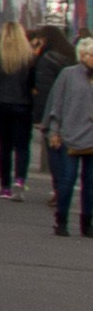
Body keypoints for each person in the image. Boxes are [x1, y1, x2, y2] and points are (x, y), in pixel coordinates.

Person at [0, 22, 45, 196]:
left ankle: (5, 187)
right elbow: (33, 83)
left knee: (4, 146)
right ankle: (20, 180)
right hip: (22, 104)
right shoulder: (29, 56)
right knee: (22, 146)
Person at [42, 30, 93, 235]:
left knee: (90, 185)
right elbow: (57, 105)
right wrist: (54, 131)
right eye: (90, 54)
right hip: (69, 135)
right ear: (83, 56)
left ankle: (87, 224)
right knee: (67, 180)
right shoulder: (69, 75)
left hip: (91, 137)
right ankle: (61, 220)